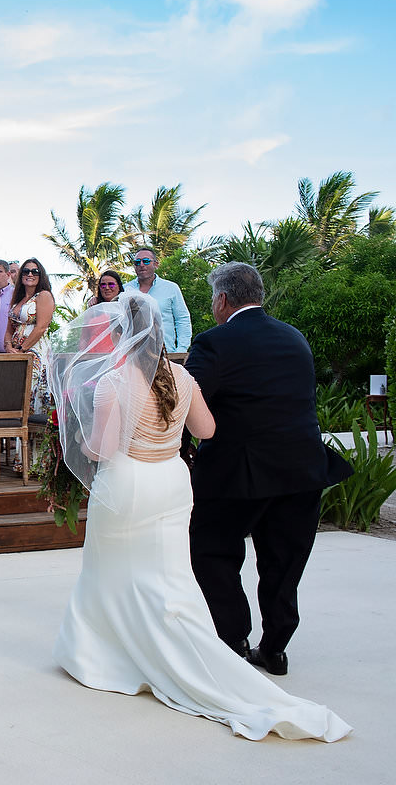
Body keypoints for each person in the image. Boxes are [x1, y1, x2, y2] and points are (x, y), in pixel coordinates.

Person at [47, 293, 350, 742]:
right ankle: (183, 646)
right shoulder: (182, 376)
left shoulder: (114, 382)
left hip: (129, 484)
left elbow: (102, 450)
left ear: (121, 334)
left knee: (111, 572)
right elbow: (206, 430)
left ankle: (108, 653)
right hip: (172, 484)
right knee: (168, 577)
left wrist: (75, 441)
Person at [187, 262, 353, 678]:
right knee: (283, 562)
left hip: (236, 473)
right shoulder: (294, 337)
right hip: (301, 469)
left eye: (213, 300)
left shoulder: (213, 342)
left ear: (222, 299)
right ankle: (275, 648)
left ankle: (232, 639)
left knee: (213, 552)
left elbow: (190, 402)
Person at [5, 256, 56, 416]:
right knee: (18, 398)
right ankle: (19, 440)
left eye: (35, 271)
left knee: (34, 397)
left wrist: (22, 349)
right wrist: (8, 346)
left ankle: (37, 439)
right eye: (26, 271)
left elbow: (41, 327)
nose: (30, 274)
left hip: (35, 354)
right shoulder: (18, 298)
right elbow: (9, 328)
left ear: (41, 275)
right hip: (16, 355)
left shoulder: (44, 296)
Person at [124, 247, 191, 353]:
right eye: (137, 262)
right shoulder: (125, 290)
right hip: (133, 355)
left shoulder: (171, 288)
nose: (141, 265)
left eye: (146, 261)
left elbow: (182, 320)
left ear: (156, 264)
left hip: (166, 354)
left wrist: (181, 350)